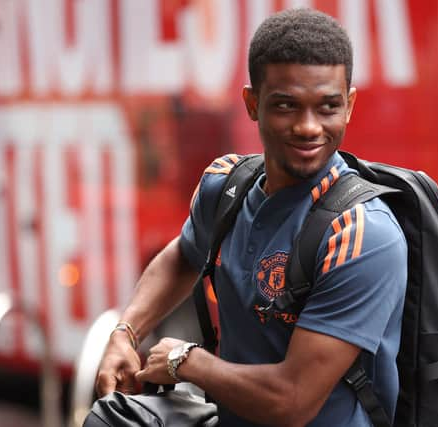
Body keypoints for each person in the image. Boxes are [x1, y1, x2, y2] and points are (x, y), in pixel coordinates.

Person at [94, 8, 407, 427]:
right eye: (286, 106)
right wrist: (125, 334)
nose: (309, 127)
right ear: (252, 103)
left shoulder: (361, 233)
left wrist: (187, 361)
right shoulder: (225, 186)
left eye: (328, 107)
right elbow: (184, 255)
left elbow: (292, 400)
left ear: (349, 105)